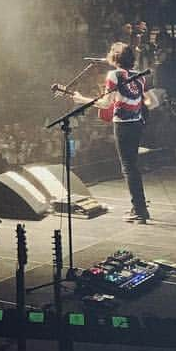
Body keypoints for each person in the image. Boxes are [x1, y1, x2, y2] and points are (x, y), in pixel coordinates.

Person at [70, 42, 150, 222]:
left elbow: (106, 103)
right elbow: (140, 100)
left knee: (128, 168)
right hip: (136, 123)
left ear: (115, 57)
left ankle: (139, 210)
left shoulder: (113, 75)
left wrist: (81, 99)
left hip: (123, 125)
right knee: (133, 166)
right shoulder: (139, 76)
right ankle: (139, 207)